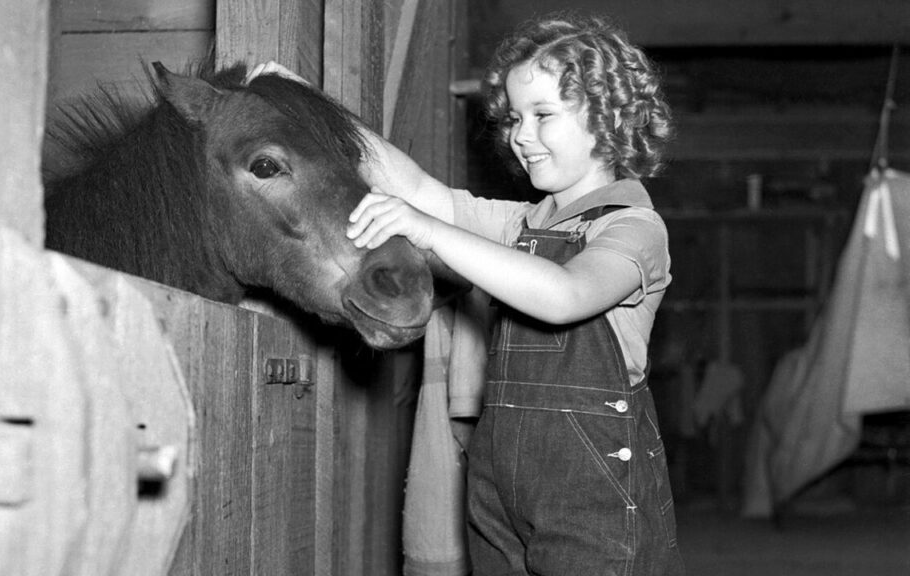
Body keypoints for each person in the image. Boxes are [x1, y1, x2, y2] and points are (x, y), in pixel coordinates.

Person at [251, 11, 684, 575]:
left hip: (592, 486)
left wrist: (431, 232)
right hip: (500, 478)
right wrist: (308, 105)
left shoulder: (632, 228)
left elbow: (565, 295)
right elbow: (424, 192)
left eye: (543, 115)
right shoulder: (527, 223)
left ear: (608, 121)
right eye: (513, 119)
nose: (520, 136)